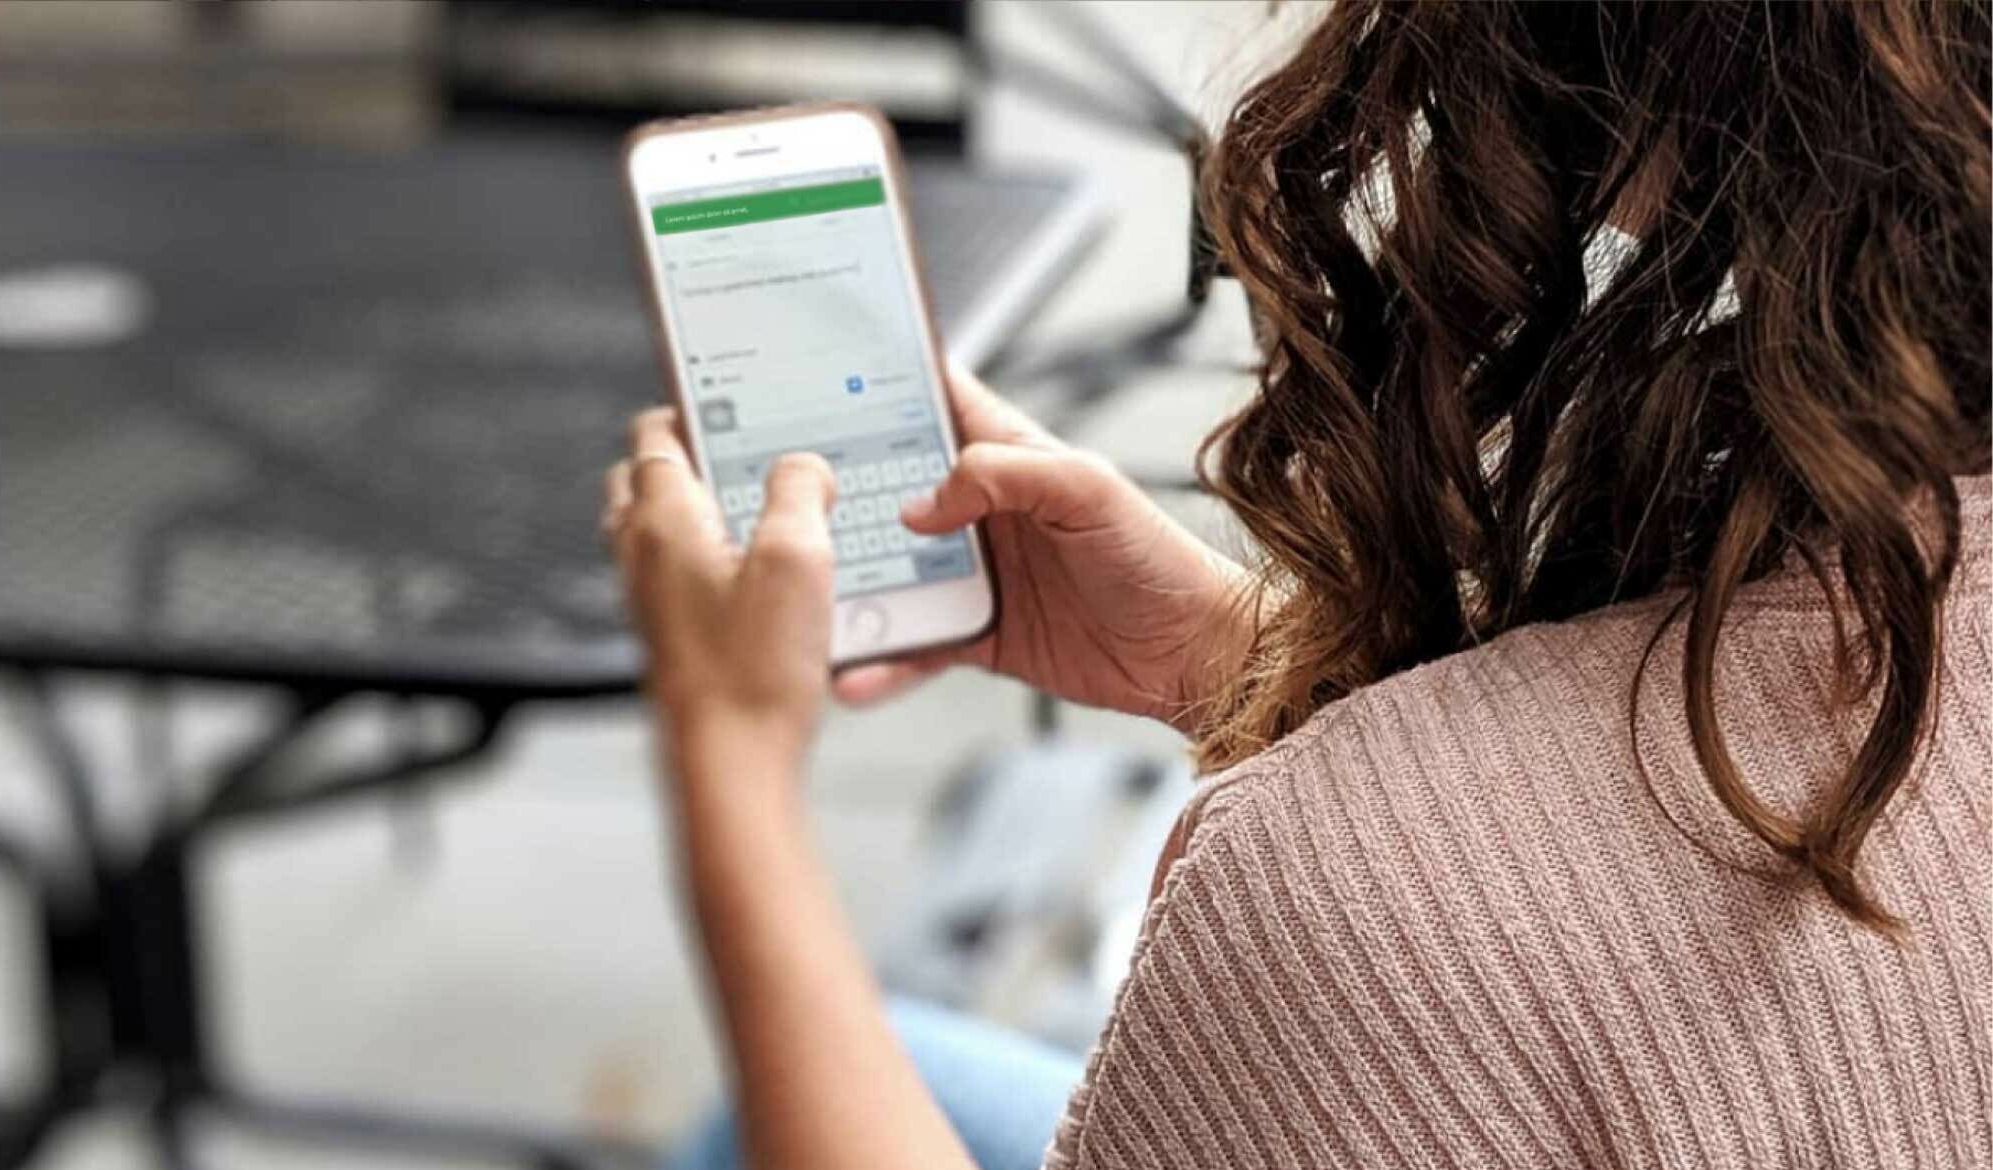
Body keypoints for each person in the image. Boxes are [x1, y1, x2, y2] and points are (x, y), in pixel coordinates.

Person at [600, 2, 1992, 1167]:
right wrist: (1247, 667)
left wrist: (731, 759)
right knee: (907, 1067)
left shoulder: (1345, 915)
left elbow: (1498, 929)